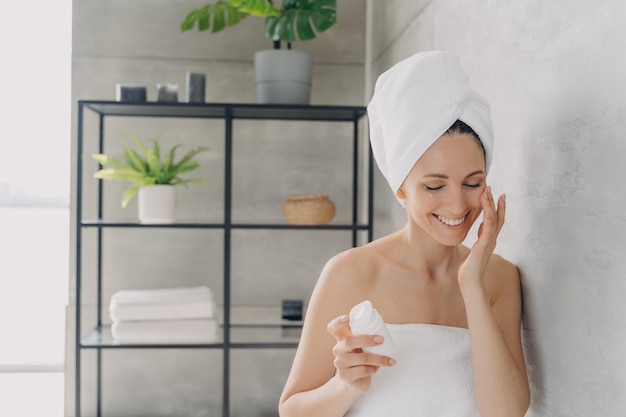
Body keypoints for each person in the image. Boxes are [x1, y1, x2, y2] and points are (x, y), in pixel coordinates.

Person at [278, 51, 530, 417]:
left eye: (473, 182)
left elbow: (505, 413)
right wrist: (345, 385)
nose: (458, 206)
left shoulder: (499, 278)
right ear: (401, 189)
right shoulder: (350, 273)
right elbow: (292, 410)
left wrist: (472, 285)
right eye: (433, 187)